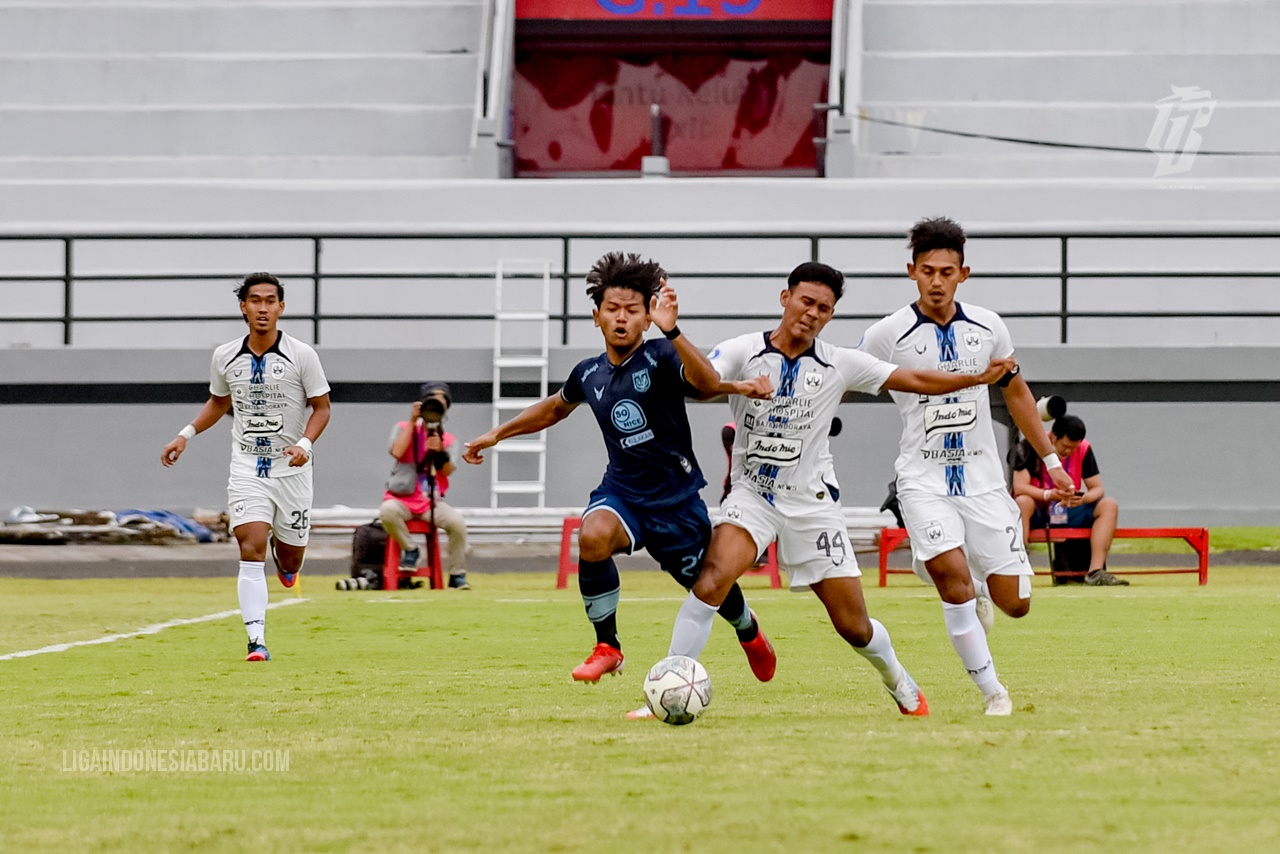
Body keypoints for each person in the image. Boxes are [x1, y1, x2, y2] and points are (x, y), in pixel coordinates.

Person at [665, 261, 1016, 718]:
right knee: (711, 581)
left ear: (830, 316)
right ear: (785, 298)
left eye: (824, 308)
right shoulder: (743, 350)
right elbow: (701, 383)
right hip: (754, 497)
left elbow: (912, 379)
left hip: (813, 505)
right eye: (805, 301)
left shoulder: (839, 363)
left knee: (854, 628)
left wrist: (974, 379)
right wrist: (674, 334)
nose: (812, 313)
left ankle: (899, 680)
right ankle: (670, 686)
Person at [463, 252, 777, 690]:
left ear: (647, 318)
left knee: (709, 585)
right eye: (612, 310)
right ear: (596, 317)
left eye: (632, 310)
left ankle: (748, 628)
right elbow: (555, 408)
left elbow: (705, 384)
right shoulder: (587, 373)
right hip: (624, 493)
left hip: (676, 501)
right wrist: (495, 434)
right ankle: (607, 647)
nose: (621, 318)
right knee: (592, 536)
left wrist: (674, 330)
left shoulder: (662, 353)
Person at [858, 217, 1075, 716]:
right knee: (951, 582)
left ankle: (974, 580)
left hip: (981, 481)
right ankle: (993, 692)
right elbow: (844, 378)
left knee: (1015, 604)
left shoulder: (989, 326)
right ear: (911, 271)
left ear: (964, 273)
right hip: (922, 479)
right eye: (928, 270)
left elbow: (1016, 391)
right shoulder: (885, 334)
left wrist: (1051, 462)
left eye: (947, 271)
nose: (937, 281)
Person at [161, 273, 331, 662]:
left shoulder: (302, 354)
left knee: (290, 561)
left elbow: (322, 407)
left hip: (292, 469)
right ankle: (256, 641)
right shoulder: (225, 355)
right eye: (255, 300)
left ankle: (284, 554)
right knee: (249, 547)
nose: (263, 308)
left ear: (281, 308)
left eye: (271, 301)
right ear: (243, 307)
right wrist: (185, 434)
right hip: (248, 466)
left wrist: (304, 444)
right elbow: (218, 402)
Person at [1011, 414, 1125, 586]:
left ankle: (1095, 571)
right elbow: (1019, 487)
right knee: (1022, 502)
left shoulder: (1084, 448)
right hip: (1039, 510)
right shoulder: (1029, 445)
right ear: (1053, 437)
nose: (1069, 452)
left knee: (1109, 505)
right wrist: (1049, 494)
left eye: (1074, 448)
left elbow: (1097, 488)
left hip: (1070, 507)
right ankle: (1018, 566)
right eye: (1065, 447)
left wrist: (1084, 498)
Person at [380, 381, 471, 590]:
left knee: (457, 524)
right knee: (387, 512)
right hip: (402, 498)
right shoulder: (403, 428)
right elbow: (396, 452)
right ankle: (410, 549)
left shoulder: (448, 439)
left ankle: (457, 575)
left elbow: (448, 471)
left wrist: (439, 451)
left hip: (431, 500)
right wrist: (413, 421)